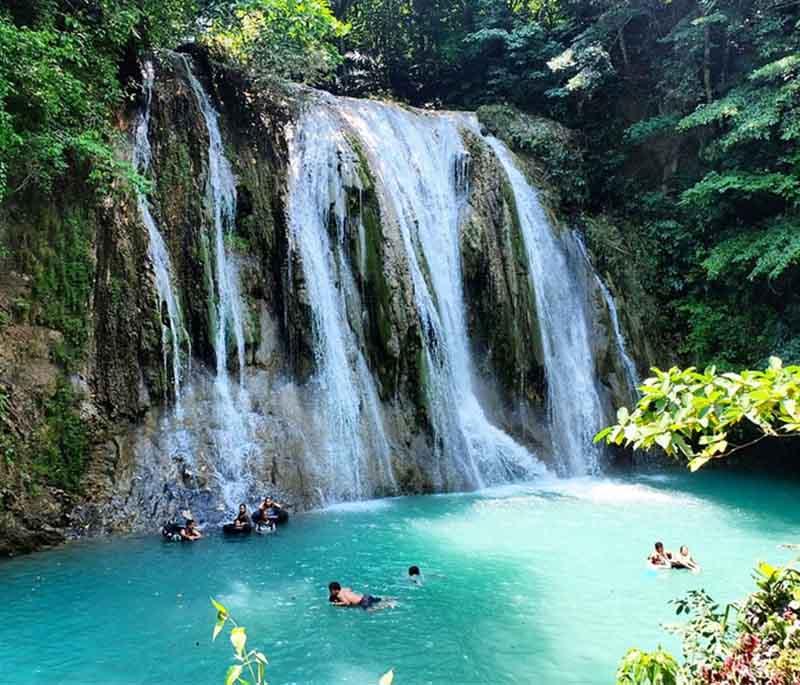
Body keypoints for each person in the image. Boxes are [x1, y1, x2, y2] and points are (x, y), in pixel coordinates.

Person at [328, 581, 393, 611]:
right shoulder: (344, 589)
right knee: (378, 600)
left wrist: (336, 604)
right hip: (366, 596)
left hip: (363, 602)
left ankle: (387, 605)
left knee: (370, 611)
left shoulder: (339, 595)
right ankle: (390, 599)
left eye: (331, 591)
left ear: (335, 590)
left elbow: (347, 603)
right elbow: (350, 589)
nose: (330, 592)